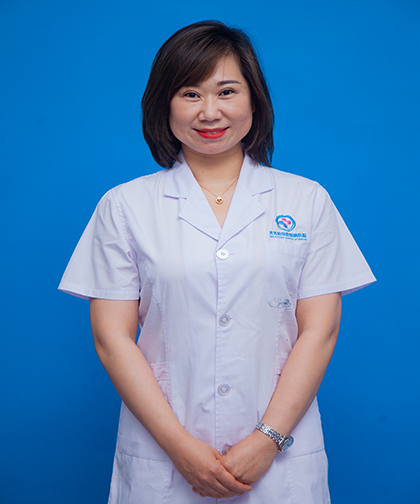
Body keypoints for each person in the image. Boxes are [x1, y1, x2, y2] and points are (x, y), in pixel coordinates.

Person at [59, 20, 375, 503]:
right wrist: (180, 448)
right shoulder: (125, 206)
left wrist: (268, 440)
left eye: (227, 91)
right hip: (165, 459)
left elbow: (320, 331)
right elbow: (112, 339)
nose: (210, 112)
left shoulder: (306, 200)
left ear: (254, 100)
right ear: (164, 104)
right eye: (190, 94)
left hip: (280, 461)